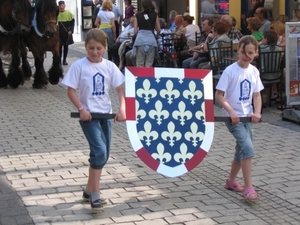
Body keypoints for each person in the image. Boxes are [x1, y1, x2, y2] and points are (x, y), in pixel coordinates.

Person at [61, 28, 126, 211]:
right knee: (99, 152)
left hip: (106, 116)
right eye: (91, 48)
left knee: (103, 155)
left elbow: (120, 89)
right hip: (89, 117)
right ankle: (96, 195)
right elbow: (70, 91)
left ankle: (89, 189)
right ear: (85, 47)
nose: (94, 52)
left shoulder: (110, 66)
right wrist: (81, 108)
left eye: (98, 48)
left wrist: (122, 109)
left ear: (105, 48)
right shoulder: (79, 66)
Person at [215, 35, 263, 201]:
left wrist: (257, 112)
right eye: (243, 52)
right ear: (238, 50)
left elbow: (257, 95)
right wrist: (231, 111)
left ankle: (231, 181)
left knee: (240, 150)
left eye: (250, 52)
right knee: (248, 148)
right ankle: (249, 187)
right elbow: (219, 95)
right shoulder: (230, 71)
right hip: (233, 118)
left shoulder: (254, 71)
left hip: (247, 117)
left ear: (255, 53)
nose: (246, 55)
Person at [133, 0, 161, 67]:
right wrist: (156, 36)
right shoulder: (155, 14)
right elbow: (159, 29)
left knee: (139, 63)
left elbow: (135, 31)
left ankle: (140, 77)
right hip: (151, 41)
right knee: (149, 63)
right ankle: (148, 77)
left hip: (140, 40)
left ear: (142, 5)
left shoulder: (138, 15)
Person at [57, 1, 75, 65]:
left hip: (67, 32)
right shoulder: (56, 13)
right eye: (60, 6)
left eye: (62, 5)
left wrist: (71, 31)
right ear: (58, 6)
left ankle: (64, 60)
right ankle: (59, 60)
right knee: (59, 47)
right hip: (59, 32)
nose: (61, 7)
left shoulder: (69, 13)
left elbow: (72, 23)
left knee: (66, 46)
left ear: (65, 6)